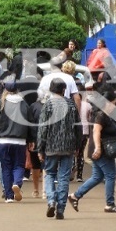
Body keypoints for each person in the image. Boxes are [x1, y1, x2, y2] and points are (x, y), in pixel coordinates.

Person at [68, 88, 116, 213]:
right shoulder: (101, 115)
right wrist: (98, 148)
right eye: (114, 103)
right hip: (101, 151)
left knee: (97, 176)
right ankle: (110, 204)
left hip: (100, 150)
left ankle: (75, 196)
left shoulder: (103, 115)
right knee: (110, 175)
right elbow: (96, 131)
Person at [36, 78, 80, 219]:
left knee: (49, 174)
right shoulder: (71, 105)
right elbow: (78, 127)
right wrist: (77, 145)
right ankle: (61, 208)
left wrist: (40, 148)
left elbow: (43, 129)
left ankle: (51, 201)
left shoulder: (48, 105)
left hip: (51, 146)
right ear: (63, 90)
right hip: (68, 146)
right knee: (64, 177)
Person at [0, 75, 31, 202]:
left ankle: (8, 196)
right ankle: (17, 183)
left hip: (3, 140)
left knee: (6, 167)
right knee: (19, 165)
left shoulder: (1, 102)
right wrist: (31, 139)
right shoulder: (24, 104)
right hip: (20, 140)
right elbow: (30, 122)